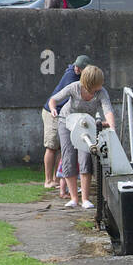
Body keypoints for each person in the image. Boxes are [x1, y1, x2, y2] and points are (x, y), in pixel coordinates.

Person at [48, 64, 116, 209]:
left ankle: (85, 199)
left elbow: (108, 110)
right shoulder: (74, 87)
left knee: (85, 156)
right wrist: (53, 109)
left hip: (85, 125)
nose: (101, 85)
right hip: (67, 122)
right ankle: (74, 198)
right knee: (68, 157)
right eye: (98, 83)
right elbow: (53, 99)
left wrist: (112, 128)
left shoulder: (101, 92)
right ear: (90, 82)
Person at [41, 54, 92, 187]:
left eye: (79, 68)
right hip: (52, 111)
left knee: (61, 147)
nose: (76, 69)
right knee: (51, 146)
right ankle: (48, 180)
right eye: (76, 66)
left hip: (63, 114)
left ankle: (56, 179)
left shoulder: (82, 77)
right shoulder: (71, 77)